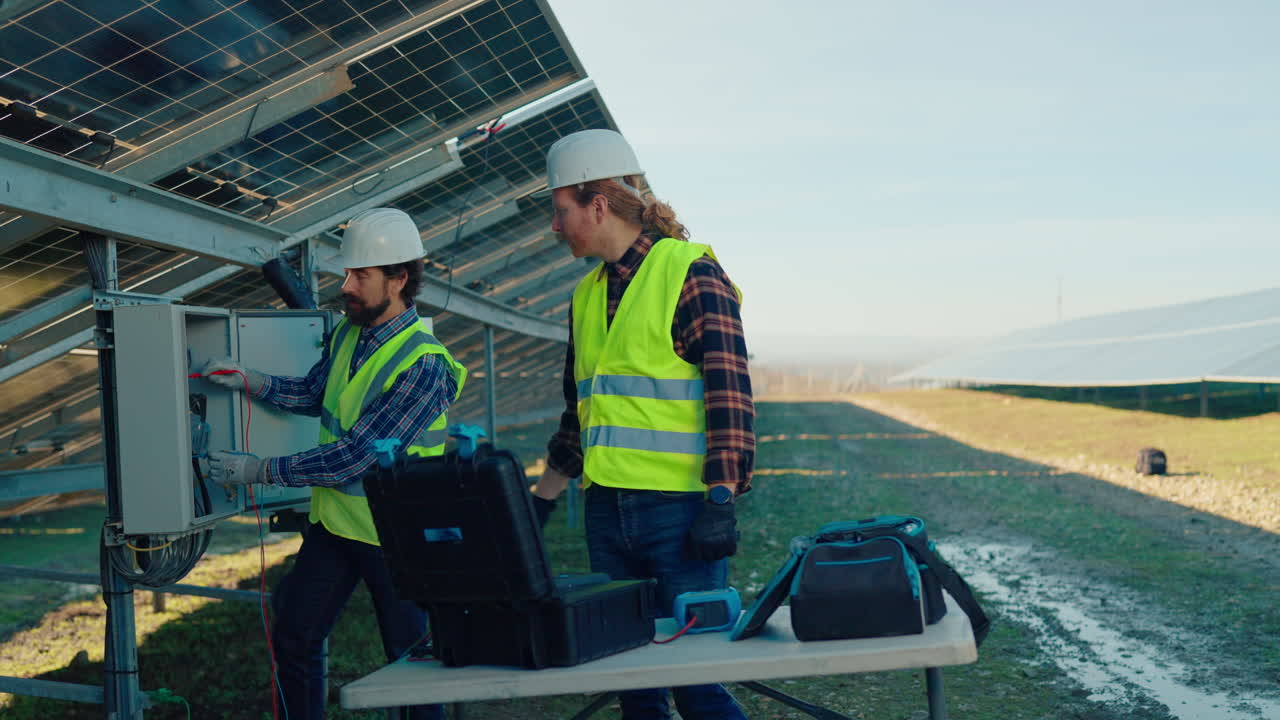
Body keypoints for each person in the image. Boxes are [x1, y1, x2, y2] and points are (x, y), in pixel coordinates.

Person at [201, 207, 466, 720]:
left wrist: (259, 470)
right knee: (296, 631)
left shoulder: (424, 364)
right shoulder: (350, 334)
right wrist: (252, 379)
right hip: (337, 526)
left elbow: (356, 456)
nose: (346, 285)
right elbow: (310, 391)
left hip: (398, 539)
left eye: (360, 275)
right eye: (346, 273)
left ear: (399, 278)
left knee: (411, 665)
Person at [530, 129, 756, 720]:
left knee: (696, 680)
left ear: (597, 205)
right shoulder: (585, 297)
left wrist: (721, 498)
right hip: (605, 513)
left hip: (680, 516)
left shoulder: (690, 274)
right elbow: (579, 414)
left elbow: (729, 396)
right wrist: (542, 502)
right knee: (633, 681)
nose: (555, 228)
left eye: (561, 213)